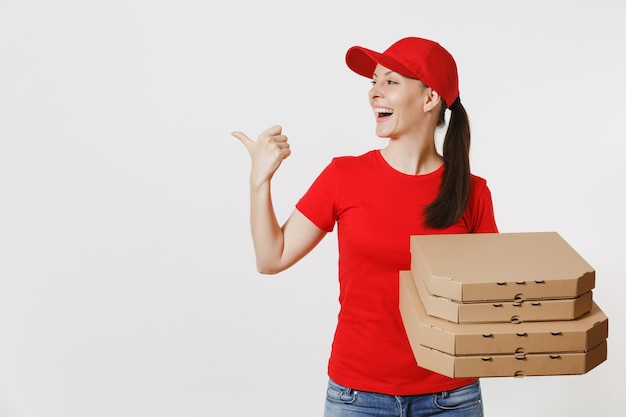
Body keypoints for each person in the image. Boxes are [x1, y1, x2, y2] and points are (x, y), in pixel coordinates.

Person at [232, 37, 498, 417]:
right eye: (373, 82)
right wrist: (260, 182)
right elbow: (270, 258)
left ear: (429, 98)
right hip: (357, 397)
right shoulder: (345, 176)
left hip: (450, 398)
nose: (374, 92)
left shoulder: (473, 192)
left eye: (390, 81)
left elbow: (494, 301)